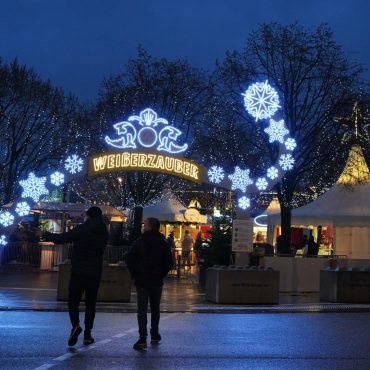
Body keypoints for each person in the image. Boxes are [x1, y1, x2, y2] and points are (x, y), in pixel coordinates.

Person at [34, 206, 108, 347]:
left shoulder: (83, 229)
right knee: (90, 304)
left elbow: (63, 238)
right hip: (95, 272)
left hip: (79, 271)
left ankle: (75, 325)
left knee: (73, 300)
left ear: (89, 216)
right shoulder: (104, 232)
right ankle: (88, 335)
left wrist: (43, 233)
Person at [127, 217, 172, 351]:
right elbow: (168, 263)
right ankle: (154, 333)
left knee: (142, 309)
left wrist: (135, 274)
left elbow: (130, 259)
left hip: (142, 280)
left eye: (145, 224)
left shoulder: (139, 242)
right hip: (156, 280)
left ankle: (142, 338)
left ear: (150, 227)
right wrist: (161, 273)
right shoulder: (163, 244)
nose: (143, 226)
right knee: (155, 308)